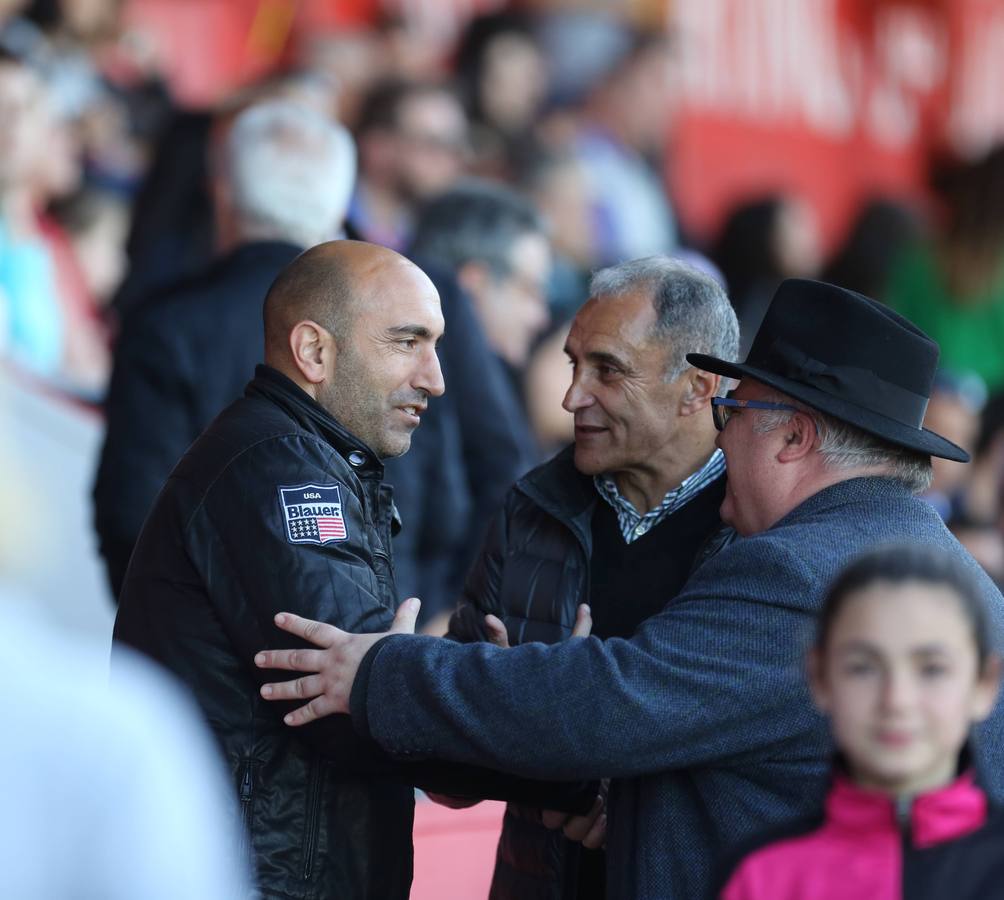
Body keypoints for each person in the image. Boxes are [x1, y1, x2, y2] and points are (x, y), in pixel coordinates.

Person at [252, 278, 1004, 900]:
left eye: (733, 412)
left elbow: (614, 700)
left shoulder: (801, 572)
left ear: (794, 437)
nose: (723, 433)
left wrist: (384, 670)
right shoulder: (959, 576)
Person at [114, 240, 590, 899]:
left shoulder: (297, 456)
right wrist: (556, 754)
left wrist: (444, 688)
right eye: (407, 342)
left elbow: (379, 690)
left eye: (436, 344)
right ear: (314, 351)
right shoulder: (284, 470)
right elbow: (359, 700)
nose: (436, 378)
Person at [446, 255, 738, 898]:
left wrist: (618, 794)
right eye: (574, 362)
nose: (571, 395)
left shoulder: (762, 531)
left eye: (607, 369)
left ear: (698, 387)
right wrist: (495, 707)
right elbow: (447, 761)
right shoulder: (533, 507)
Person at [93, 99, 355, 598]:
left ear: (223, 194)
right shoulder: (391, 335)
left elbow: (132, 516)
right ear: (337, 211)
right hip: (356, 648)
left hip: (191, 654)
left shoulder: (167, 324)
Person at [720, 544, 1004, 899]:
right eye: (863, 668)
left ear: (983, 684)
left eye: (932, 669)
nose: (896, 701)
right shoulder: (761, 876)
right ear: (821, 677)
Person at [385, 179, 550, 626]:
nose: (541, 316)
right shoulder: (413, 388)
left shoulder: (497, 383)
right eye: (530, 290)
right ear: (473, 285)